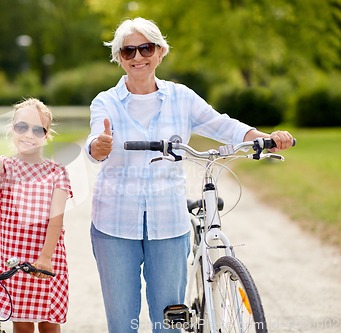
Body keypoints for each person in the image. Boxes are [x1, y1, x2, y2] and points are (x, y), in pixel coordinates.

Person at [85, 17, 294, 333]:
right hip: (114, 224)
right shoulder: (106, 102)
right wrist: (98, 147)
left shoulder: (182, 98)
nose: (138, 57)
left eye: (146, 48)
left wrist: (264, 137)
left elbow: (222, 126)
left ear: (160, 51)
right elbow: (94, 144)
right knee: (121, 323)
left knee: (169, 323)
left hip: (168, 222)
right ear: (119, 58)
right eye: (129, 51)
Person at [0, 98, 73, 333]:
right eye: (22, 127)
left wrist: (46, 257)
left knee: (49, 325)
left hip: (47, 258)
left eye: (38, 129)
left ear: (47, 135)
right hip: (15, 263)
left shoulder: (57, 171)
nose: (29, 134)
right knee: (22, 325)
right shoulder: (7, 169)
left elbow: (56, 220)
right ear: (12, 129)